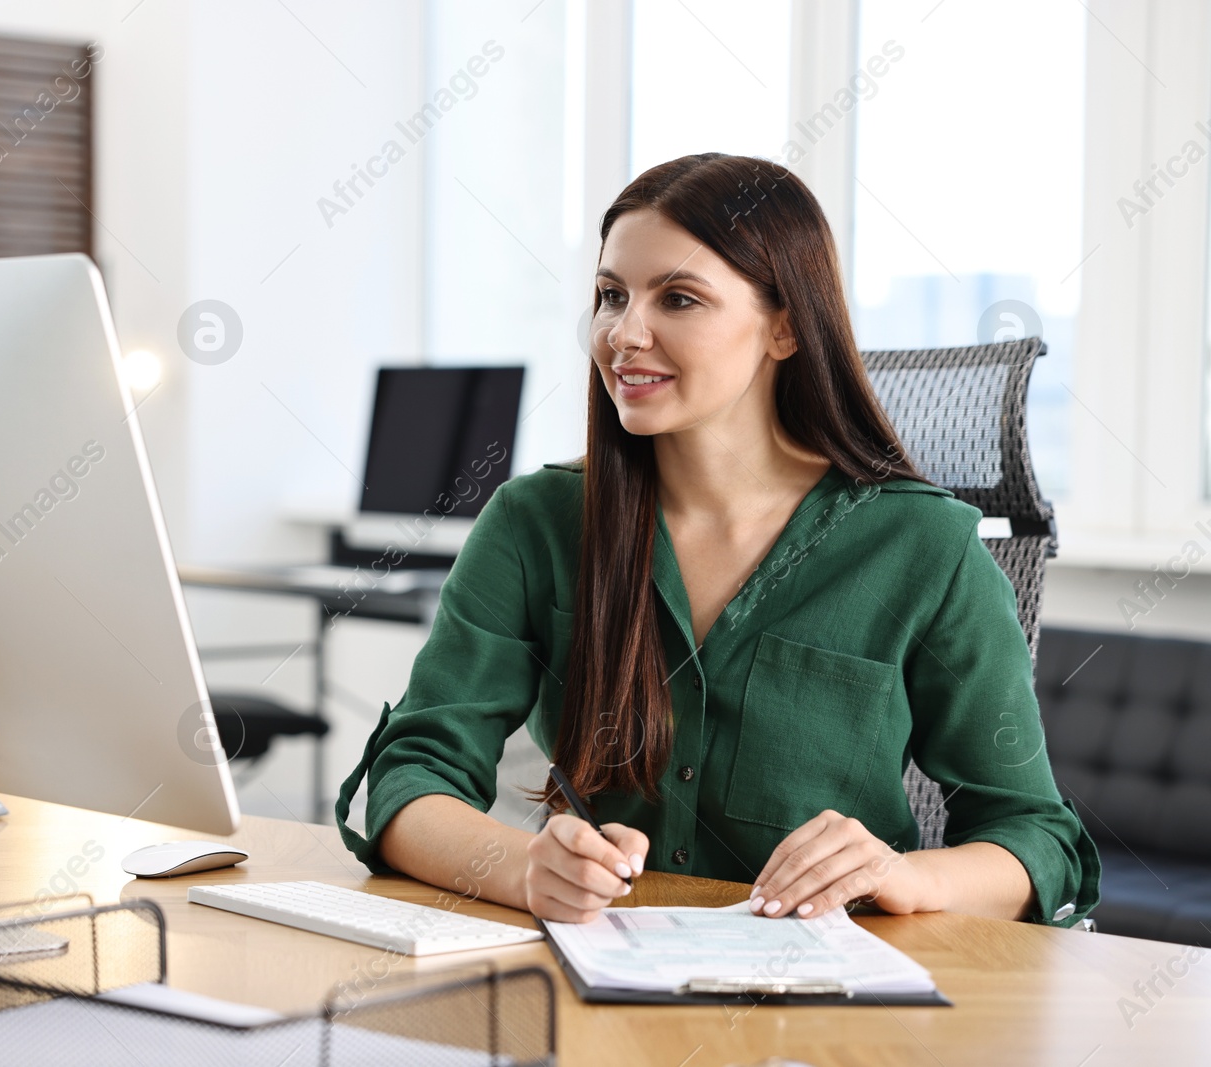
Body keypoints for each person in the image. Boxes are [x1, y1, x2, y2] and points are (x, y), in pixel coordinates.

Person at [334, 153, 1100, 927]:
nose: (624, 333)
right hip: (595, 998)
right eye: (610, 295)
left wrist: (907, 874)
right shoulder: (533, 523)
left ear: (787, 328)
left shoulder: (924, 546)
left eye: (679, 298)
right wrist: (523, 868)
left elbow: (1034, 835)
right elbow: (413, 772)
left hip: (829, 1014)